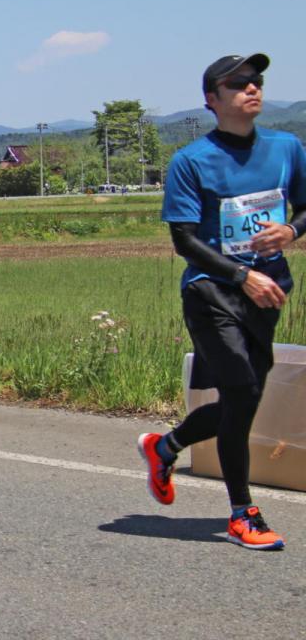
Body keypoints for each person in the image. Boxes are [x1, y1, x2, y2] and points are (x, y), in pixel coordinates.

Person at [140, 52, 306, 551]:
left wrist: (290, 231)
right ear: (212, 100)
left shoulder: (287, 148)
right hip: (211, 292)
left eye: (256, 80)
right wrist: (241, 275)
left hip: (268, 290)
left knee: (243, 398)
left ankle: (165, 446)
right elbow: (184, 240)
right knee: (242, 388)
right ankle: (243, 514)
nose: (252, 88)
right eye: (237, 83)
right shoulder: (191, 161)